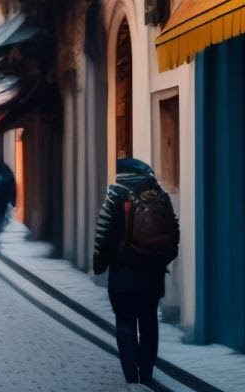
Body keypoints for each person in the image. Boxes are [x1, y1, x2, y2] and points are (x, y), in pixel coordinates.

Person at [92, 158, 180, 386]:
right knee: (149, 321)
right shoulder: (159, 194)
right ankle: (147, 374)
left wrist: (99, 265)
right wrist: (162, 260)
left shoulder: (116, 194)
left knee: (125, 322)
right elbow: (174, 232)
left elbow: (103, 234)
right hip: (153, 273)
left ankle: (132, 379)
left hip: (123, 272)